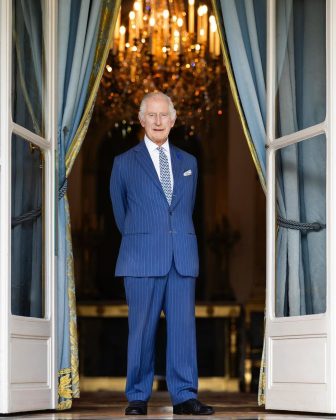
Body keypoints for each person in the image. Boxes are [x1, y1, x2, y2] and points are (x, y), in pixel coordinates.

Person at [110, 91, 214, 416]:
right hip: (141, 257)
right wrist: (145, 238)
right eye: (151, 115)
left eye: (163, 115)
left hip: (181, 257)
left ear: (173, 120)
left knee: (183, 329)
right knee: (141, 330)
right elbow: (119, 213)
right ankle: (138, 396)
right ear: (141, 120)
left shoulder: (189, 163)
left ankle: (184, 395)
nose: (157, 121)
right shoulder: (124, 163)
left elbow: (186, 209)